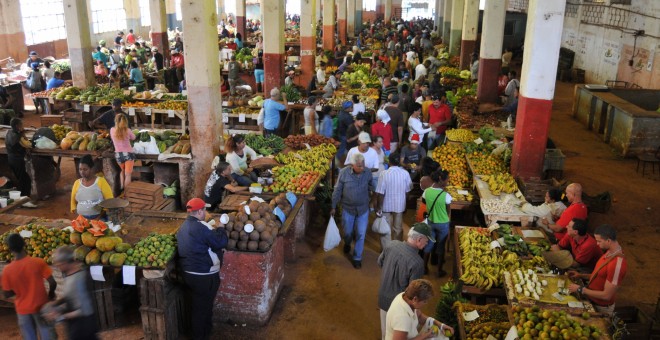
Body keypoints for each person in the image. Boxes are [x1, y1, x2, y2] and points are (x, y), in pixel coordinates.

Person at [176, 198, 228, 339]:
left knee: (200, 306)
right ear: (199, 211)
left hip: (188, 274)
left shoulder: (182, 227)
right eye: (204, 209)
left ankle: (205, 332)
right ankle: (200, 336)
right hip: (204, 276)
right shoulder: (202, 227)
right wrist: (222, 228)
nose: (205, 212)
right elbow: (221, 242)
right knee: (201, 310)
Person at [377, 225, 430, 339]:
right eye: (427, 240)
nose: (427, 244)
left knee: (386, 332)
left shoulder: (391, 244)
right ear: (419, 239)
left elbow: (380, 262)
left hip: (383, 297)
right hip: (399, 307)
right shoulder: (417, 263)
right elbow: (415, 293)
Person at [2, 233, 57, 340]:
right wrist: (51, 294)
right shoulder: (38, 262)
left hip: (22, 310)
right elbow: (53, 282)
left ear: (10, 249)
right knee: (47, 336)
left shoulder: (7, 270)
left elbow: (7, 294)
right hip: (42, 306)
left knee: (29, 337)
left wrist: (20, 288)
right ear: (24, 244)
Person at [568, 224, 627, 316]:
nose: (597, 244)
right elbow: (599, 275)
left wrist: (581, 289)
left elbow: (606, 296)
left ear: (608, 240)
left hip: (601, 307)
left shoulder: (617, 265)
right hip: (591, 299)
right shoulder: (609, 253)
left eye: (599, 241)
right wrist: (580, 275)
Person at [331, 153, 374, 269]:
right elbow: (338, 190)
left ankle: (357, 258)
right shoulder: (344, 173)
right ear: (352, 165)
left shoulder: (368, 173)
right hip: (348, 209)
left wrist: (370, 201)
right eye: (359, 166)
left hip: (363, 209)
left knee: (361, 233)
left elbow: (371, 186)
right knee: (348, 232)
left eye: (363, 165)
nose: (362, 168)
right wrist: (333, 206)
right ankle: (348, 242)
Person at [47, 246, 99, 339]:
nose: (57, 267)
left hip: (84, 327)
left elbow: (84, 310)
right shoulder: (70, 275)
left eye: (59, 264)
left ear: (66, 263)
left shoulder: (79, 278)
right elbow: (71, 295)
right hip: (77, 326)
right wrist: (55, 303)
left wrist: (60, 316)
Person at [385, 279, 454, 340]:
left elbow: (419, 316)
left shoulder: (404, 296)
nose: (426, 304)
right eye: (424, 301)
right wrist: (426, 335)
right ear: (415, 299)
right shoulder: (402, 318)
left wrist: (440, 325)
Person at [420, 168, 452, 276]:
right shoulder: (446, 196)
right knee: (440, 246)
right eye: (447, 180)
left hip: (430, 222)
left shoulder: (426, 191)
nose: (447, 182)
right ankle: (439, 270)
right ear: (440, 179)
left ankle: (424, 268)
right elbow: (448, 211)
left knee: (428, 244)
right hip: (442, 224)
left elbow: (424, 202)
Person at [376, 153, 412, 245]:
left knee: (385, 228)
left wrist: (379, 207)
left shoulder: (383, 174)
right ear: (400, 161)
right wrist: (405, 205)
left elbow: (380, 193)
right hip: (399, 205)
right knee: (398, 229)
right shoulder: (405, 173)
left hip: (385, 205)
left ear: (389, 162)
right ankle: (396, 248)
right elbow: (408, 192)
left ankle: (386, 249)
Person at [5, 118, 37, 208]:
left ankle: (23, 199)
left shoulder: (9, 132)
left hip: (11, 159)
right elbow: (28, 145)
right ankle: (23, 201)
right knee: (24, 180)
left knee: (22, 179)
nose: (23, 127)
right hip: (17, 161)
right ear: (17, 126)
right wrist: (23, 135)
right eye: (21, 125)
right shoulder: (18, 137)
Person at [70, 155, 113, 219]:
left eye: (85, 169)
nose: (82, 172)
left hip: (99, 218)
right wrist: (79, 218)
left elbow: (109, 200)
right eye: (80, 169)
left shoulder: (101, 181)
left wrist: (98, 218)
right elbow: (73, 203)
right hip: (81, 219)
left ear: (92, 169)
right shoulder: (77, 183)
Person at [110, 113, 136, 190]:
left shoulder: (112, 130)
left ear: (116, 121)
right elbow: (133, 138)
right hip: (128, 154)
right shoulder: (128, 130)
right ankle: (126, 193)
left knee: (122, 171)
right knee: (128, 175)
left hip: (118, 154)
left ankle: (122, 188)